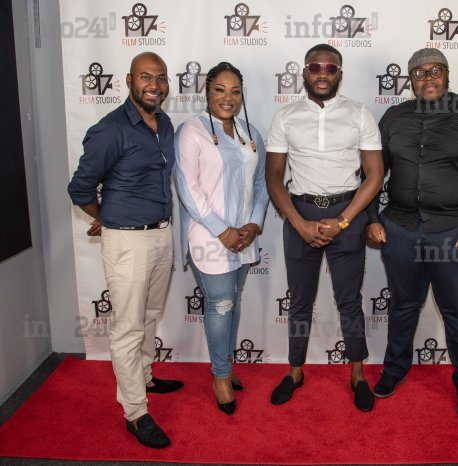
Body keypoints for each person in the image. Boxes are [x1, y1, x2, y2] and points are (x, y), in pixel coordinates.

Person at [367, 48, 458, 420]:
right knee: (402, 306)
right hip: (400, 229)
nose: (427, 78)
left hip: (455, 232)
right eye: (419, 73)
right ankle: (394, 370)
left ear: (447, 74)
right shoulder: (394, 117)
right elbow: (372, 173)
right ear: (410, 80)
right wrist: (371, 218)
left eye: (435, 70)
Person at [68, 52, 182, 448]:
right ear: (129, 81)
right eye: (146, 77)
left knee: (149, 315)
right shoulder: (110, 130)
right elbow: (79, 189)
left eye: (161, 78)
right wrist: (109, 217)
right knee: (128, 327)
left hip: (161, 234)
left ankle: (145, 376)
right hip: (127, 241)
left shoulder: (165, 124)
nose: (154, 85)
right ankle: (135, 412)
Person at [266, 44, 384, 412]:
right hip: (299, 213)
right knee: (300, 301)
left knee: (349, 301)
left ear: (339, 74)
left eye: (330, 68)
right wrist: (299, 223)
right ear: (304, 71)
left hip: (347, 213)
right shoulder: (285, 116)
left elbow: (375, 175)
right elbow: (273, 177)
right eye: (315, 66)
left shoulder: (359, 114)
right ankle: (295, 370)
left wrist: (344, 221)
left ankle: (358, 373)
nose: (322, 73)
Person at [174, 62, 268, 416]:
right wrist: (221, 229)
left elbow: (261, 185)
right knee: (221, 304)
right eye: (219, 90)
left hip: (243, 237)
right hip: (209, 237)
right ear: (207, 92)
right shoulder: (191, 131)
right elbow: (188, 188)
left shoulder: (250, 132)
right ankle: (220, 376)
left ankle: (226, 363)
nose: (228, 97)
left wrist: (254, 224)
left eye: (235, 91)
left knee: (234, 300)